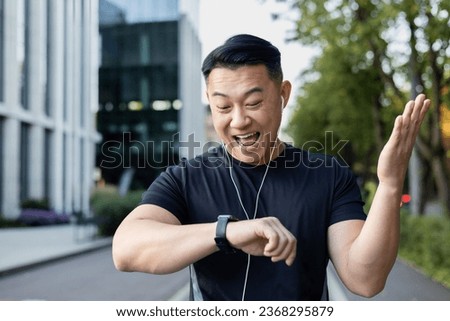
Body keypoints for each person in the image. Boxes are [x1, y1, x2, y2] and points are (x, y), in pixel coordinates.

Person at [112, 34, 431, 300]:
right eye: (223, 106)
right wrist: (229, 232)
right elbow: (126, 250)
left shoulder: (328, 175)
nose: (238, 120)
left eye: (253, 103)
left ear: (283, 95)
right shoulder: (184, 178)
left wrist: (390, 184)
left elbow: (365, 279)